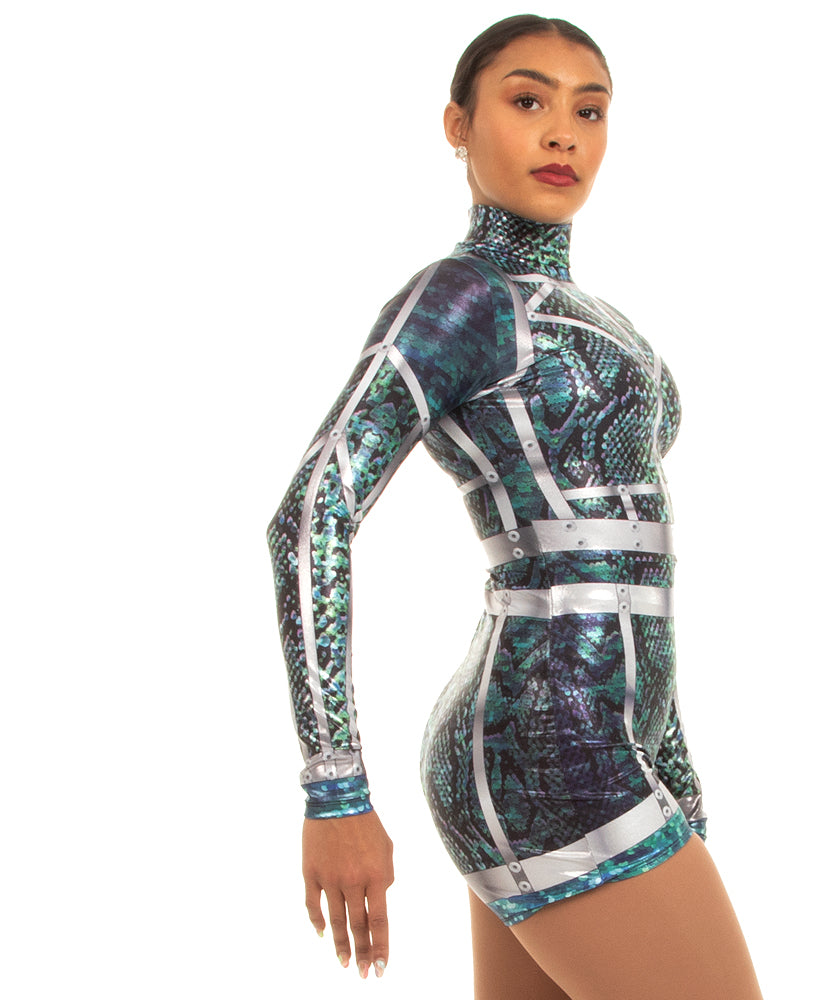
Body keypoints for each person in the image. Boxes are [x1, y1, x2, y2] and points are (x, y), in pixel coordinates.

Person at [266, 14, 763, 999]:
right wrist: (335, 789)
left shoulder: (603, 319)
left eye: (590, 110)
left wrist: (674, 766)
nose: (562, 133)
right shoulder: (464, 297)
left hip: (599, 741)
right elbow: (311, 514)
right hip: (548, 747)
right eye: (527, 100)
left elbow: (634, 579)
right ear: (457, 124)